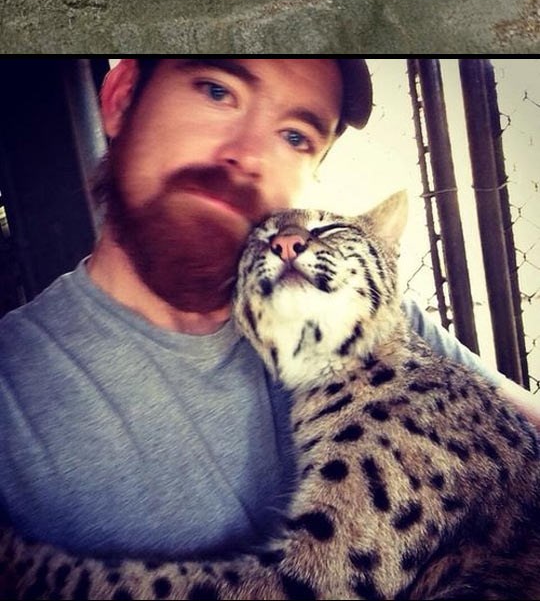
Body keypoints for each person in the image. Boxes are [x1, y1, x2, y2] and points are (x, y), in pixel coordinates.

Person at [0, 56, 538, 572]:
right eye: (217, 91)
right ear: (120, 99)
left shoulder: (366, 319)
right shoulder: (14, 391)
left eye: (295, 136)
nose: (248, 153)